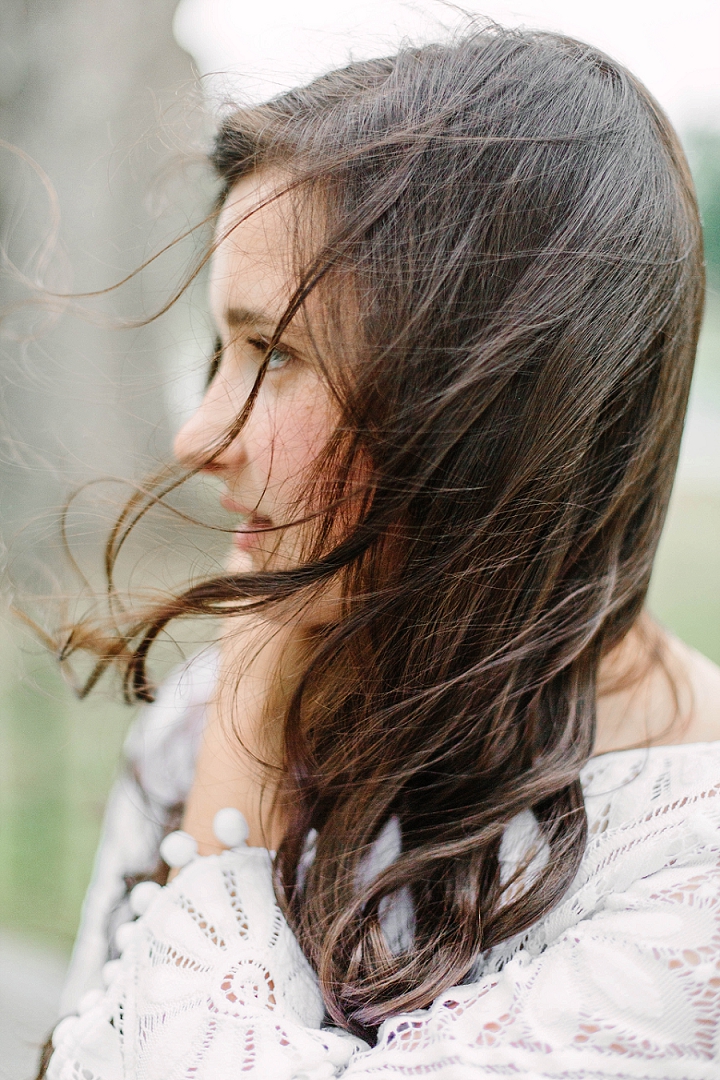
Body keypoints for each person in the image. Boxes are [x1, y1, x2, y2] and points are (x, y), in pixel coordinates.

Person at [42, 25, 720, 1080]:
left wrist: (236, 809)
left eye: (274, 353)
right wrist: (245, 721)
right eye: (217, 351)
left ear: (494, 404)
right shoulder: (207, 718)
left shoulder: (692, 863)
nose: (199, 436)